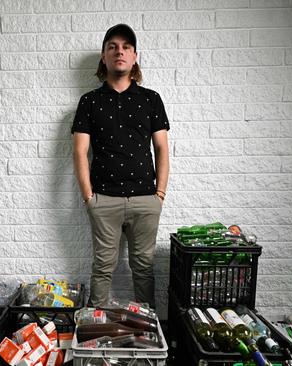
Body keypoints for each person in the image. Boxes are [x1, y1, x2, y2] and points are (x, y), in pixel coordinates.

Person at [71, 24, 170, 307]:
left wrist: (159, 194)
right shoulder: (89, 102)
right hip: (104, 199)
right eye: (112, 46)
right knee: (102, 268)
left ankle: (147, 333)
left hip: (145, 199)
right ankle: (95, 334)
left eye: (126, 47)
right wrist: (89, 198)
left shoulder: (151, 99)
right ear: (104, 56)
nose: (120, 52)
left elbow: (162, 148)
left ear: (135, 56)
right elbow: (80, 152)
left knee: (143, 269)